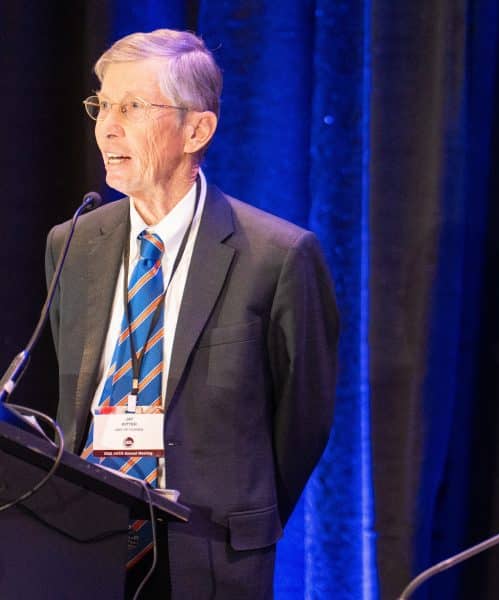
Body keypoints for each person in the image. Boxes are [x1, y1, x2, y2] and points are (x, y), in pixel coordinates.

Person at [45, 29, 339, 598]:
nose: (107, 126)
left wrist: (241, 510)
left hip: (211, 550)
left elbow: (303, 420)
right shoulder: (72, 242)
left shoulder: (276, 256)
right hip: (83, 543)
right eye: (102, 104)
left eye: (131, 107)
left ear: (197, 128)